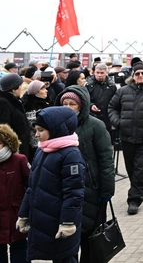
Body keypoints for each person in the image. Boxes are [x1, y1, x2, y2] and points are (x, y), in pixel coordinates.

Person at [17, 106, 85, 263]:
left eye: (41, 130)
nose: (36, 134)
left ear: (56, 129)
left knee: (64, 258)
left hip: (59, 220)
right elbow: (32, 187)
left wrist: (68, 222)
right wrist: (24, 213)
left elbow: (74, 193)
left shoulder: (70, 154)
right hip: (43, 219)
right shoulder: (43, 151)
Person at [56, 86, 115, 263]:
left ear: (81, 105)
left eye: (72, 104)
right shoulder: (56, 127)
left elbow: (106, 159)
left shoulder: (95, 126)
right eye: (64, 103)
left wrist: (107, 190)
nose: (67, 107)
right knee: (67, 240)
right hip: (65, 191)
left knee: (92, 240)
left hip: (92, 190)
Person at [108, 63, 143, 215]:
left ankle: (134, 199)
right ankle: (141, 189)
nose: (140, 76)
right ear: (133, 76)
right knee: (131, 167)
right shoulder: (123, 91)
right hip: (126, 136)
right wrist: (118, 122)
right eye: (137, 73)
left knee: (141, 167)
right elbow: (112, 108)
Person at [0, 123, 30, 263]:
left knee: (20, 248)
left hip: (16, 214)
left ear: (7, 142)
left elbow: (30, 185)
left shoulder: (19, 160)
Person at [0, 74, 32, 162]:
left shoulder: (12, 101)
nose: (22, 88)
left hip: (19, 148)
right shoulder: (2, 103)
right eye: (20, 86)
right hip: (12, 152)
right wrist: (12, 148)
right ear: (13, 89)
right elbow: (2, 129)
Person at [85, 63, 118, 130]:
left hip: (107, 116)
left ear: (106, 73)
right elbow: (85, 98)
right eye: (97, 72)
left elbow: (115, 102)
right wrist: (91, 105)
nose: (99, 75)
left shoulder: (112, 86)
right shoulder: (88, 85)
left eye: (102, 73)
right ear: (94, 72)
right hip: (92, 116)